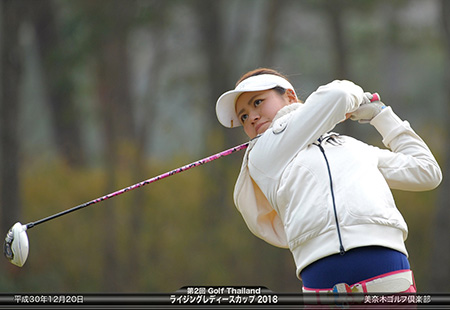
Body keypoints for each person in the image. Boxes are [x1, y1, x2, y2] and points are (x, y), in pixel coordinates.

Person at [215, 68, 442, 293]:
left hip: (386, 264)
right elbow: (340, 95)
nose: (252, 117)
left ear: (290, 96)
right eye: (243, 116)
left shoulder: (351, 147)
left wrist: (380, 115)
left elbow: (427, 171)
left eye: (257, 102)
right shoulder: (262, 155)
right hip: (322, 274)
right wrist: (351, 102)